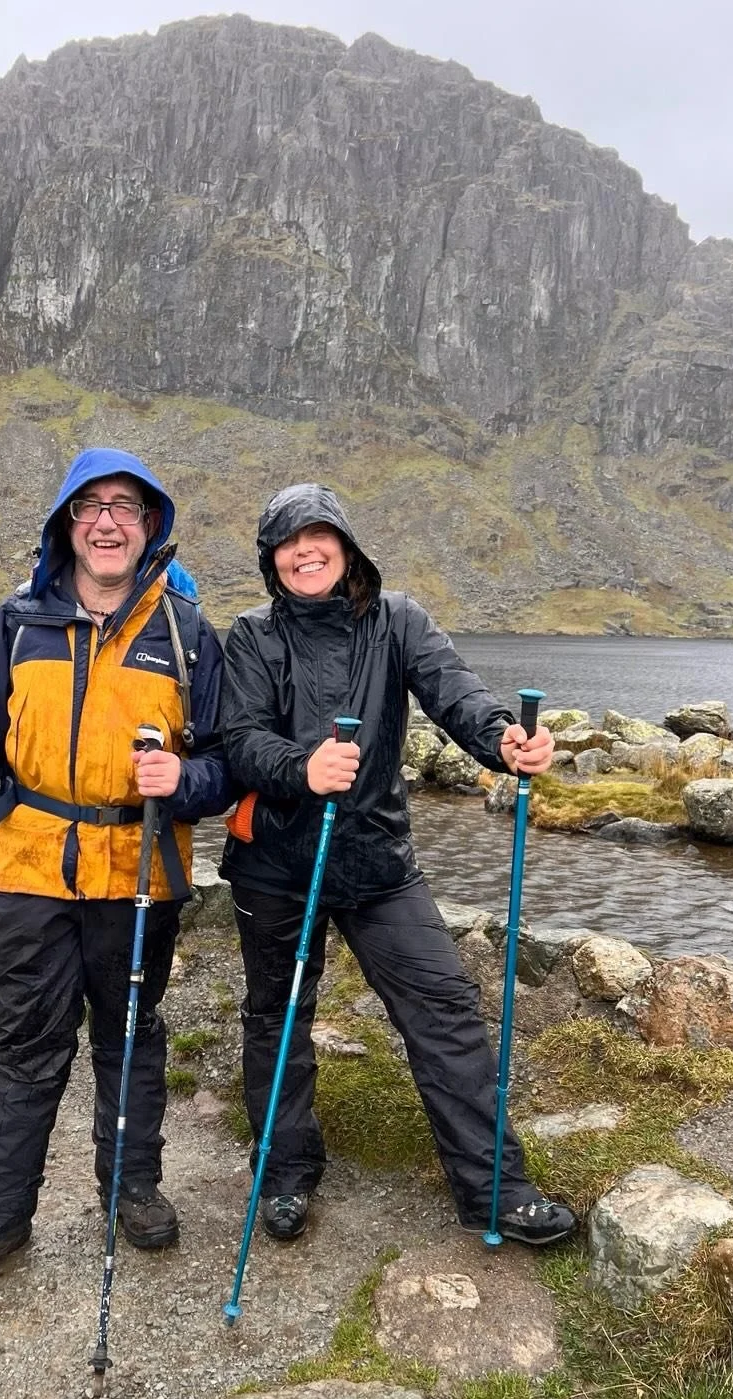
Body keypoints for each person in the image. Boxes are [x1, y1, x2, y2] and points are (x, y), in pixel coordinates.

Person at [0, 447, 230, 1296]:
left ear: (150, 525)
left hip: (139, 871)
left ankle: (131, 1189)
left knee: (129, 1037)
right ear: (67, 526)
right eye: (90, 507)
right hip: (31, 866)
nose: (108, 521)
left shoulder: (186, 632)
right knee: (23, 1044)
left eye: (126, 506)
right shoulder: (19, 623)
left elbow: (228, 764)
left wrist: (185, 781)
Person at [219, 483, 578, 1247]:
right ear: (270, 559)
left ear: (347, 548)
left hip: (377, 863)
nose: (305, 551)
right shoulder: (251, 636)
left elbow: (456, 693)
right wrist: (299, 767)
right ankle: (285, 1173)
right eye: (288, 542)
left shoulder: (398, 621)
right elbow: (239, 738)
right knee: (278, 1019)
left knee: (444, 1006)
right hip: (276, 865)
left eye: (319, 537)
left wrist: (503, 740)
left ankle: (495, 1190)